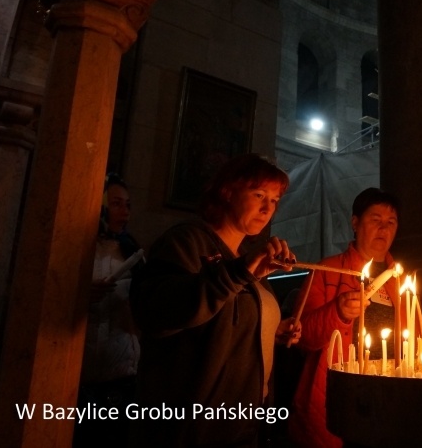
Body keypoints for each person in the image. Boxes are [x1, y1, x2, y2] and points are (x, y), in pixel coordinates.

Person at [129, 153, 301, 447]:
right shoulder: (187, 243)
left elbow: (230, 327)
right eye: (259, 194)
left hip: (246, 424)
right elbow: (156, 313)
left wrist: (274, 330)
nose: (267, 207)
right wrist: (236, 274)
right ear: (228, 191)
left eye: (274, 200)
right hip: (194, 427)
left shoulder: (247, 261)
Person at [288, 188, 402, 448]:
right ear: (355, 222)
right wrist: (337, 312)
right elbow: (301, 337)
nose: (383, 228)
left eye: (391, 222)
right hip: (340, 399)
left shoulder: (400, 281)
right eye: (375, 219)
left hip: (390, 402)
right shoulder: (325, 271)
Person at [74, 173, 145, 448]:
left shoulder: (130, 250)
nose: (125, 211)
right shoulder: (77, 246)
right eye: (116, 204)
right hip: (81, 373)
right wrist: (80, 294)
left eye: (128, 204)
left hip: (121, 373)